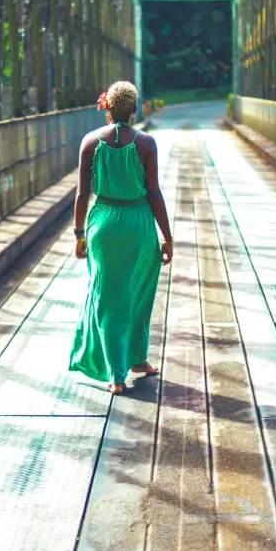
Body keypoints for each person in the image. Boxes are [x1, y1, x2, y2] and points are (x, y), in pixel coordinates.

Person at [69, 81, 174, 395]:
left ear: (108, 108)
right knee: (138, 294)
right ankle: (133, 362)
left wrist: (79, 234)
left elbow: (81, 194)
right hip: (138, 224)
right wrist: (167, 236)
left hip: (103, 225)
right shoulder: (146, 144)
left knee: (107, 296)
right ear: (134, 109)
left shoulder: (90, 142)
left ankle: (121, 371)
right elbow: (154, 193)